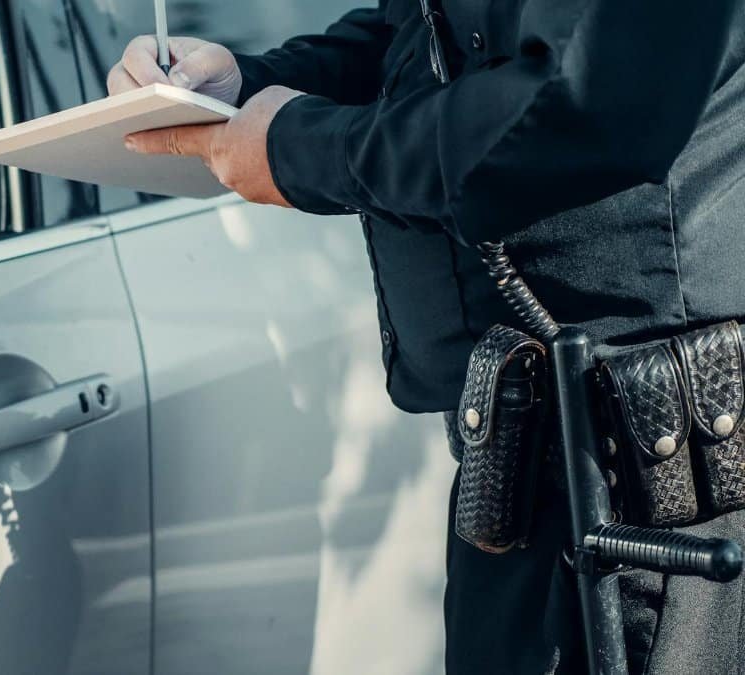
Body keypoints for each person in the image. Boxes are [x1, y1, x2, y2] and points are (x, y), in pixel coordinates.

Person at [110, 2, 745, 673]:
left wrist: (302, 146)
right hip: (518, 486)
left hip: (663, 510)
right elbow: (430, 40)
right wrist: (249, 88)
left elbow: (587, 102)